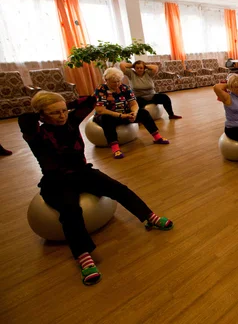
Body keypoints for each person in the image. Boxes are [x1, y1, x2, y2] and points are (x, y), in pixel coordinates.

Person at [18, 91, 173, 286]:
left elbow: (89, 100)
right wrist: (41, 108)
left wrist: (63, 103)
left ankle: (149, 218)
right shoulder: (35, 133)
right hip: (56, 181)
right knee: (70, 211)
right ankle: (83, 255)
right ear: (41, 115)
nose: (62, 115)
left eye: (64, 110)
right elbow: (24, 119)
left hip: (83, 172)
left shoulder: (71, 122)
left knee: (120, 189)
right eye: (55, 113)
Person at [94, 68, 169, 159]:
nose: (117, 84)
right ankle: (115, 149)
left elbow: (134, 103)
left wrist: (134, 113)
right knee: (106, 118)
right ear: (106, 80)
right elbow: (100, 110)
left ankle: (157, 137)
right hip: (110, 116)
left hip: (125, 113)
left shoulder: (124, 87)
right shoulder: (101, 89)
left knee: (143, 112)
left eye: (119, 81)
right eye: (114, 82)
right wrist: (121, 115)